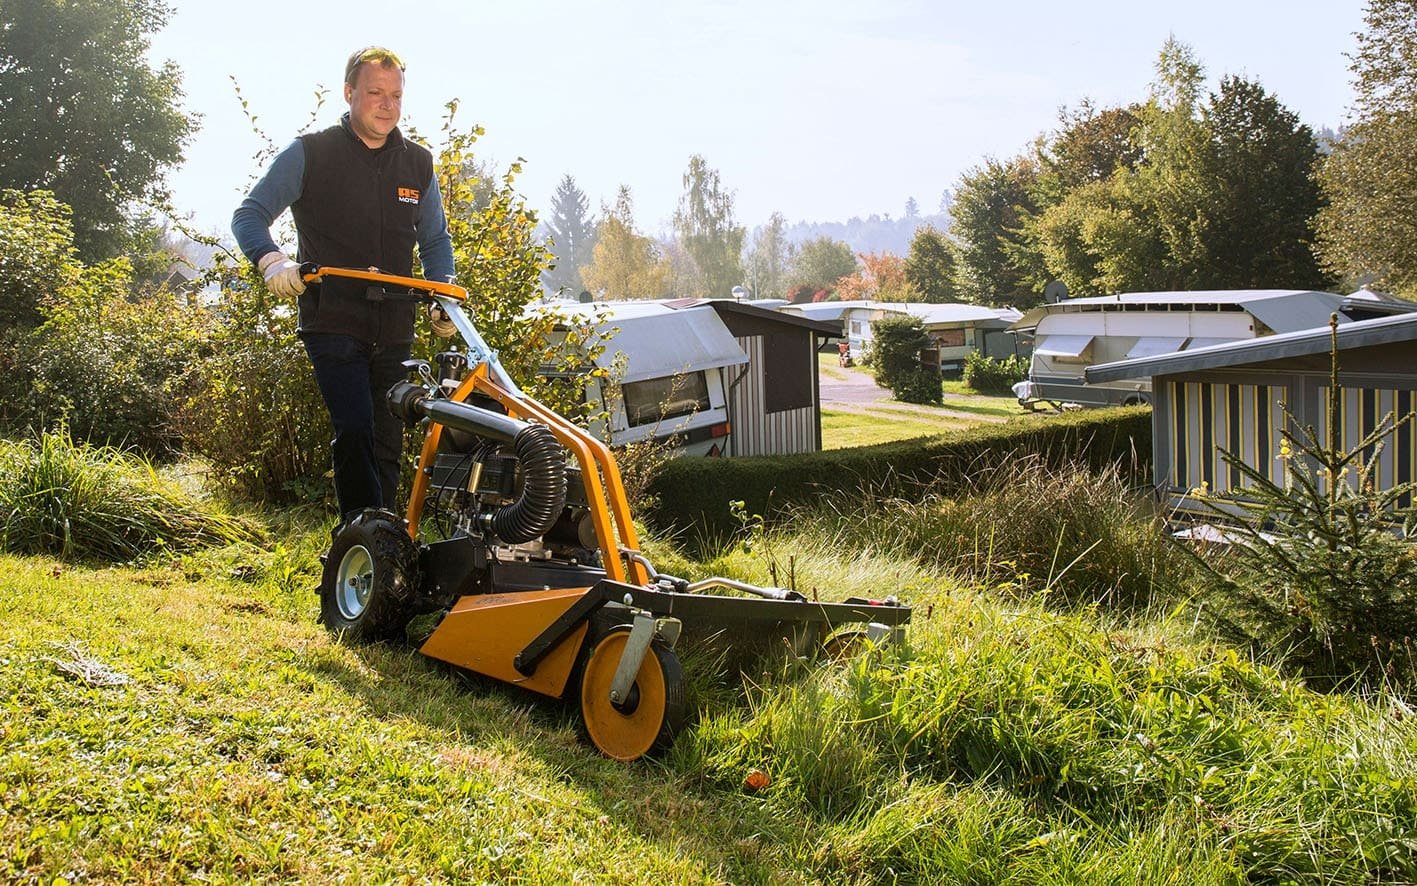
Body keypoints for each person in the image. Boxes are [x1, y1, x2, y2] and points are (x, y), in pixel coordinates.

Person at [232, 46, 456, 524]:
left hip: (395, 323)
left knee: (388, 439)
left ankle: (386, 544)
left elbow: (435, 239)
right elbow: (249, 215)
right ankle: (363, 541)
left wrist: (443, 294)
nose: (387, 105)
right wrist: (273, 262)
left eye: (396, 95)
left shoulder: (417, 163)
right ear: (349, 92)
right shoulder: (312, 153)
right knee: (355, 429)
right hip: (333, 319)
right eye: (375, 93)